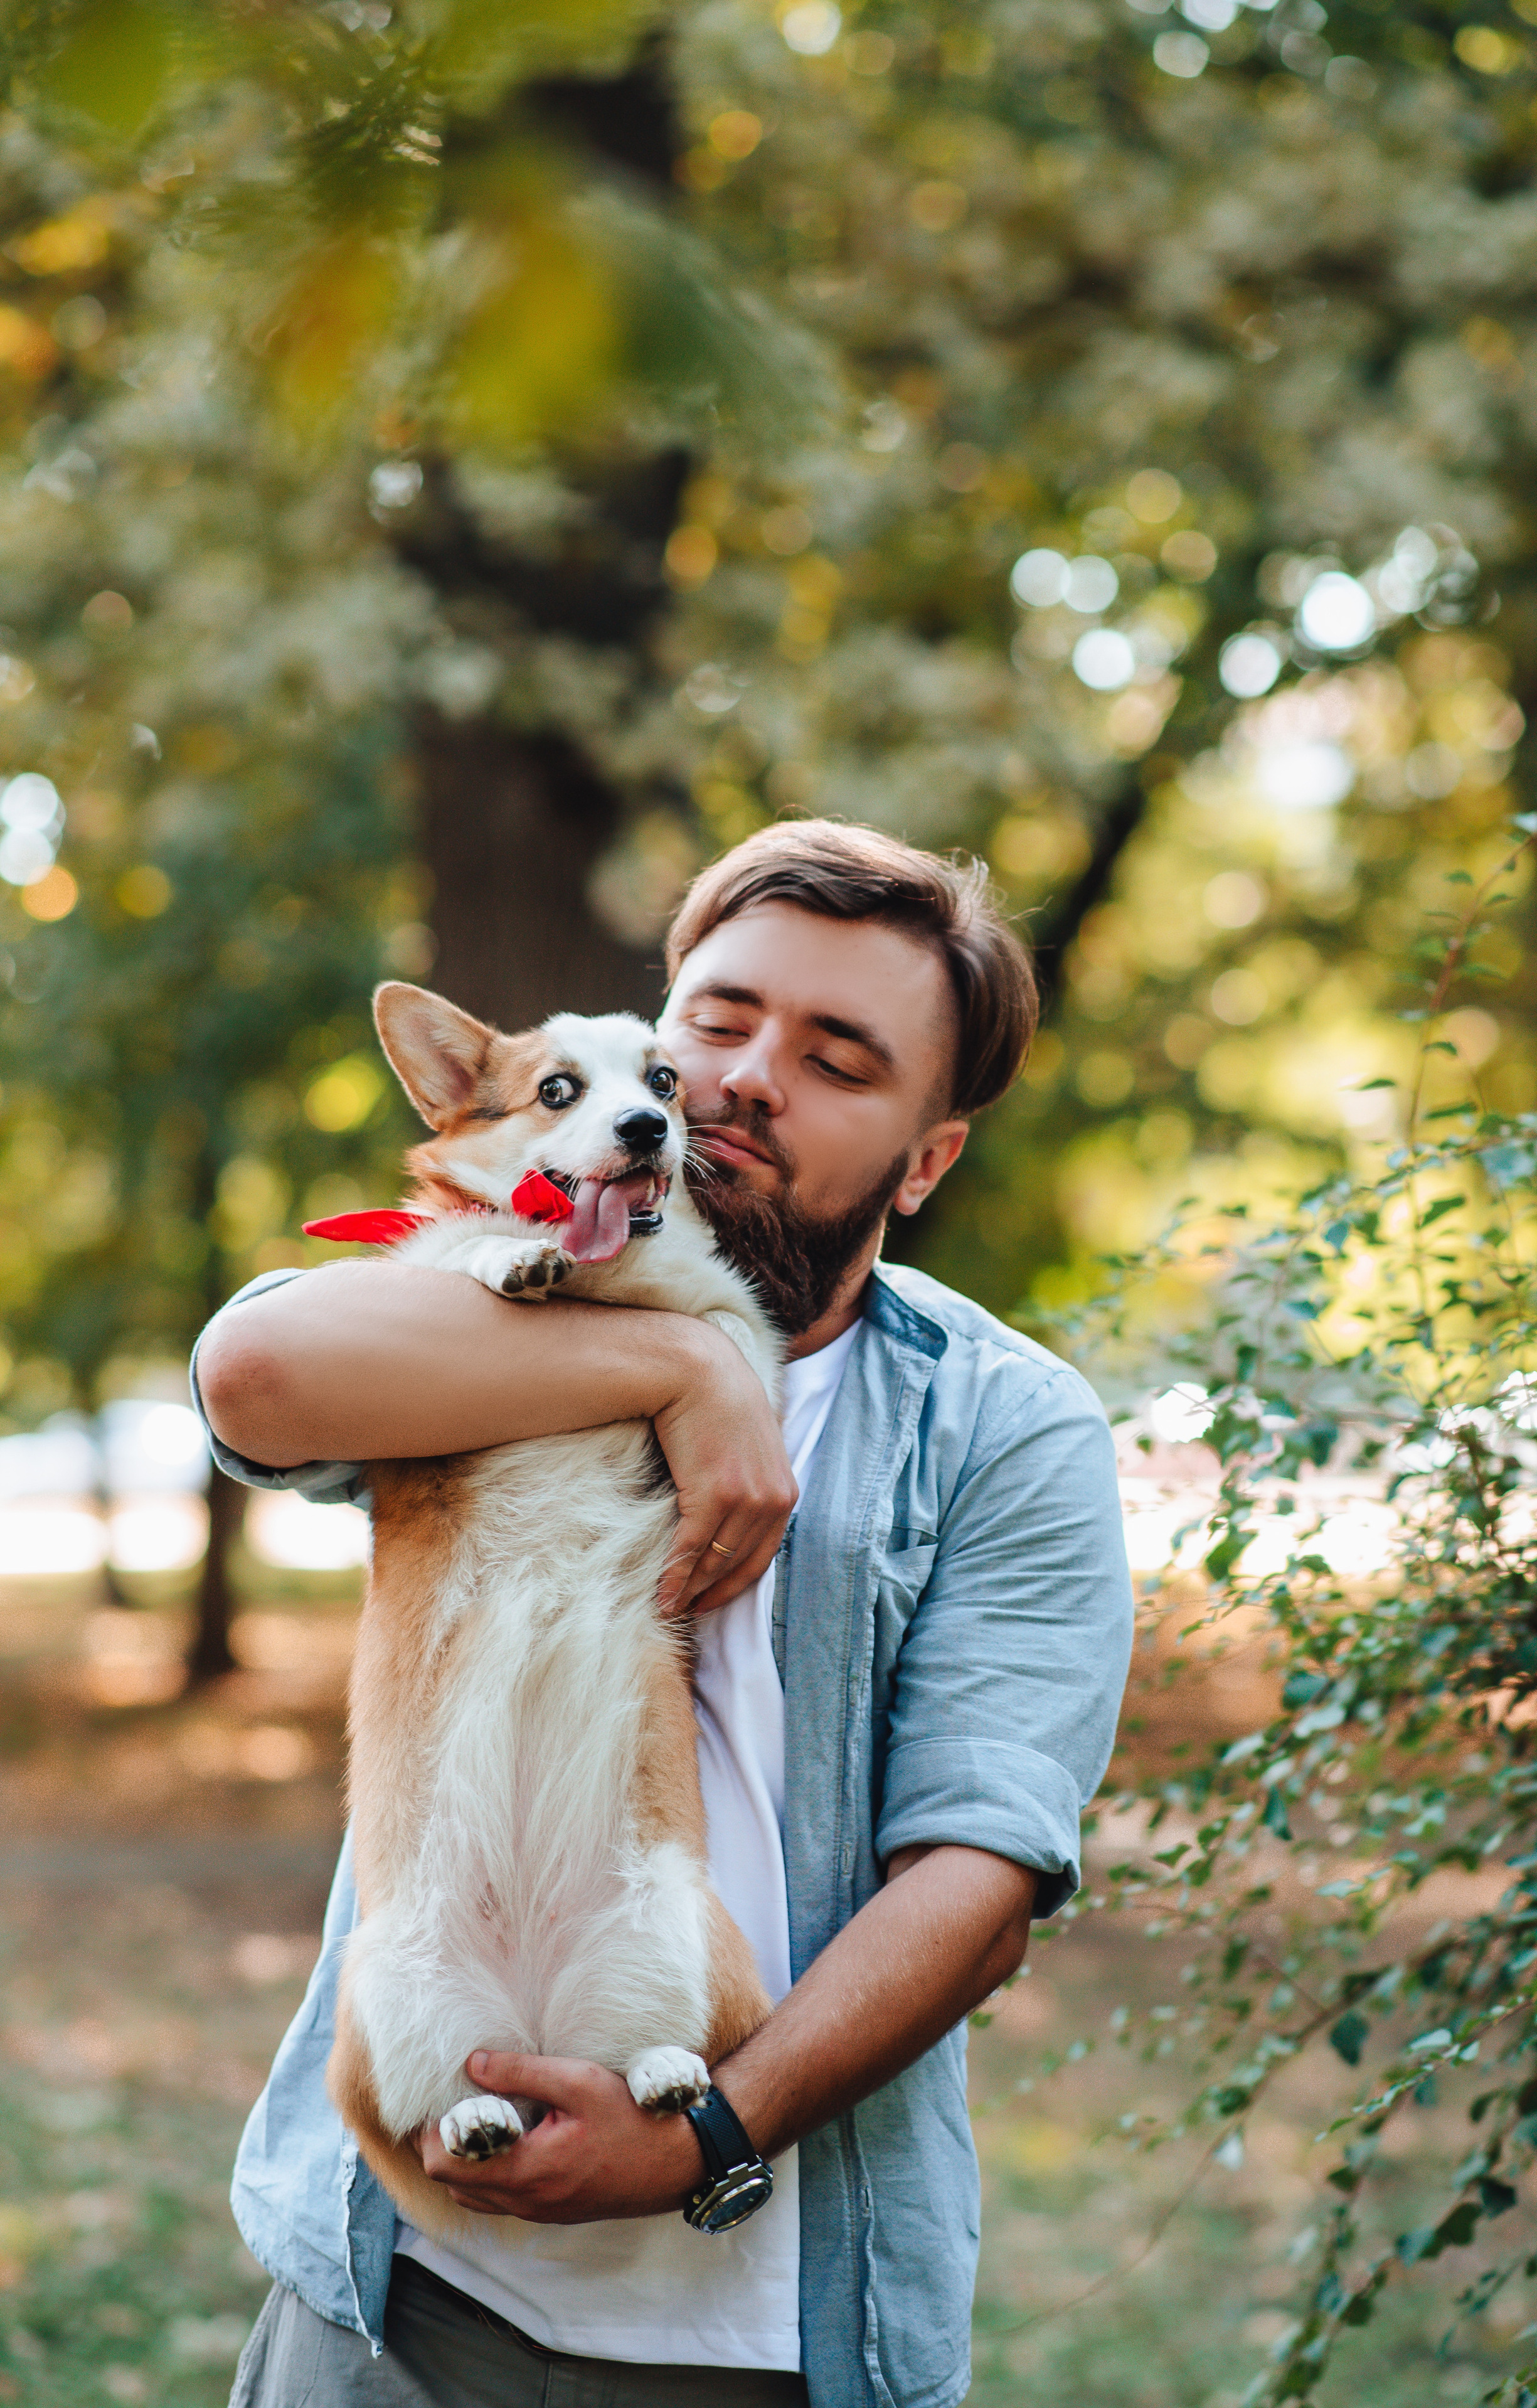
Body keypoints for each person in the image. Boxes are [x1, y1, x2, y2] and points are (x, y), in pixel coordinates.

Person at [193, 819, 1134, 2408]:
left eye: (838, 1056)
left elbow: (976, 1880)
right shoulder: (476, 1297)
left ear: (926, 1153)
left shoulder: (1004, 1429)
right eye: (718, 1019)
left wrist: (704, 2128)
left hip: (762, 2330)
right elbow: (257, 1373)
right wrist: (681, 1361)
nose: (744, 1079)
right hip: (401, 2299)